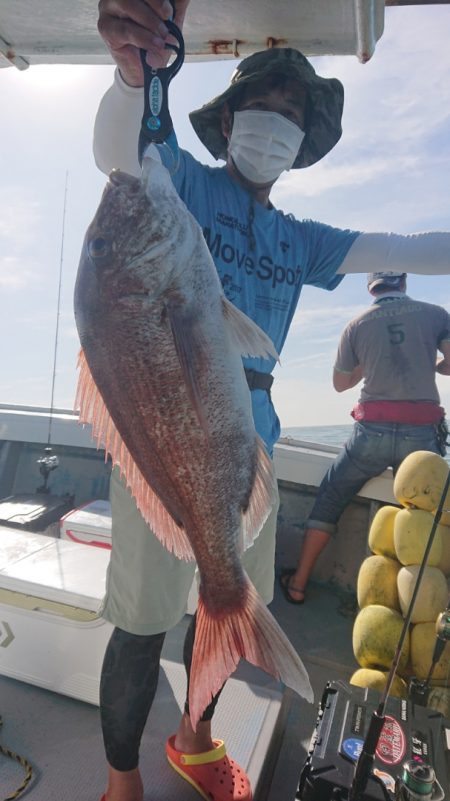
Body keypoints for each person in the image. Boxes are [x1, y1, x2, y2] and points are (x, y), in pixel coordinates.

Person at [92, 2, 450, 800]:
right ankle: (121, 782)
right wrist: (129, 77)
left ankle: (194, 741)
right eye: (263, 106)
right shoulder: (181, 182)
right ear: (227, 122)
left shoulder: (301, 240)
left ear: (303, 140)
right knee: (141, 625)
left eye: (292, 113)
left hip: (248, 445)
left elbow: (405, 248)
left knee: (224, 611)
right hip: (161, 439)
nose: (276, 123)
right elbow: (120, 153)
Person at [280, 271, 450, 605]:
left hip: (370, 434)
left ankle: (298, 585)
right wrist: (431, 364)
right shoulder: (436, 314)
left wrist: (367, 363)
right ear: (403, 282)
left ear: (371, 288)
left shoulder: (356, 325)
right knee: (430, 517)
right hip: (421, 436)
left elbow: (340, 384)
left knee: (331, 497)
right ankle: (419, 607)